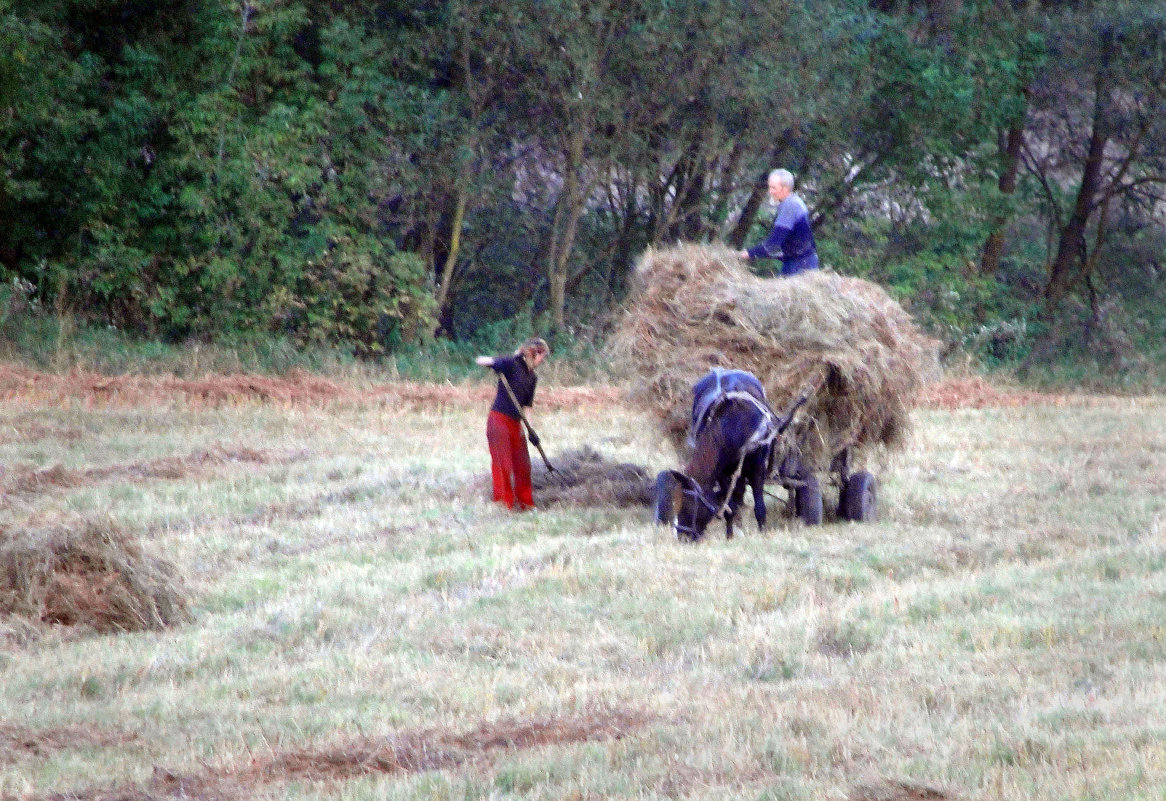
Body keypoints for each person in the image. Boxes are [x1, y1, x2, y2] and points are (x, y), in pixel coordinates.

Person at [475, 337, 550, 511]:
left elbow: (527, 406)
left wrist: (530, 430)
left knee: (523, 465)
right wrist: (492, 363)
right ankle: (504, 504)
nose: (542, 361)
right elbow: (482, 360)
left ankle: (526, 504)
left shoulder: (532, 377)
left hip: (516, 423)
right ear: (532, 352)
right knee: (503, 463)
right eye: (542, 356)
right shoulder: (511, 364)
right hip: (499, 420)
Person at [738, 168, 819, 276]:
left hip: (801, 266)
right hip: (796, 262)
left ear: (785, 189)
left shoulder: (790, 206)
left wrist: (749, 254)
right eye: (770, 187)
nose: (770, 191)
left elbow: (773, 244)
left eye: (773, 188)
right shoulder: (792, 202)